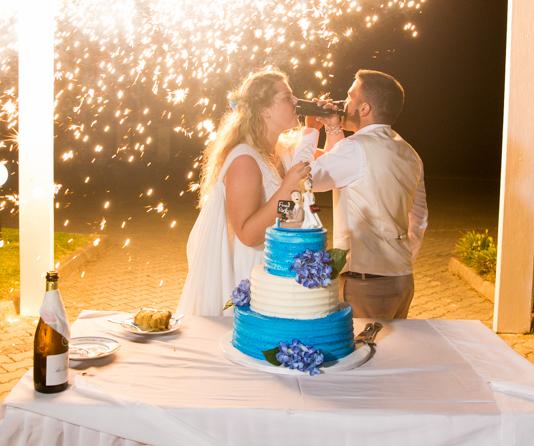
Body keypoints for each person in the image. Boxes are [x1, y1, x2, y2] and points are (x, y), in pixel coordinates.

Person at [177, 68, 312, 316]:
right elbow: (248, 235)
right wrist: (287, 189)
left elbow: (332, 168)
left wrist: (326, 125)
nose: (296, 101)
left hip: (279, 265)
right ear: (264, 110)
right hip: (252, 273)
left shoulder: (280, 152)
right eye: (287, 97)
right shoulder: (244, 160)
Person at [299, 70, 428, 319]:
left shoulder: (355, 148)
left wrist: (310, 129)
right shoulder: (409, 151)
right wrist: (333, 127)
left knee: (360, 344)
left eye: (349, 96)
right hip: (402, 279)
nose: (343, 102)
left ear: (364, 108)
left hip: (366, 284)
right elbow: (419, 216)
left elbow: (304, 177)